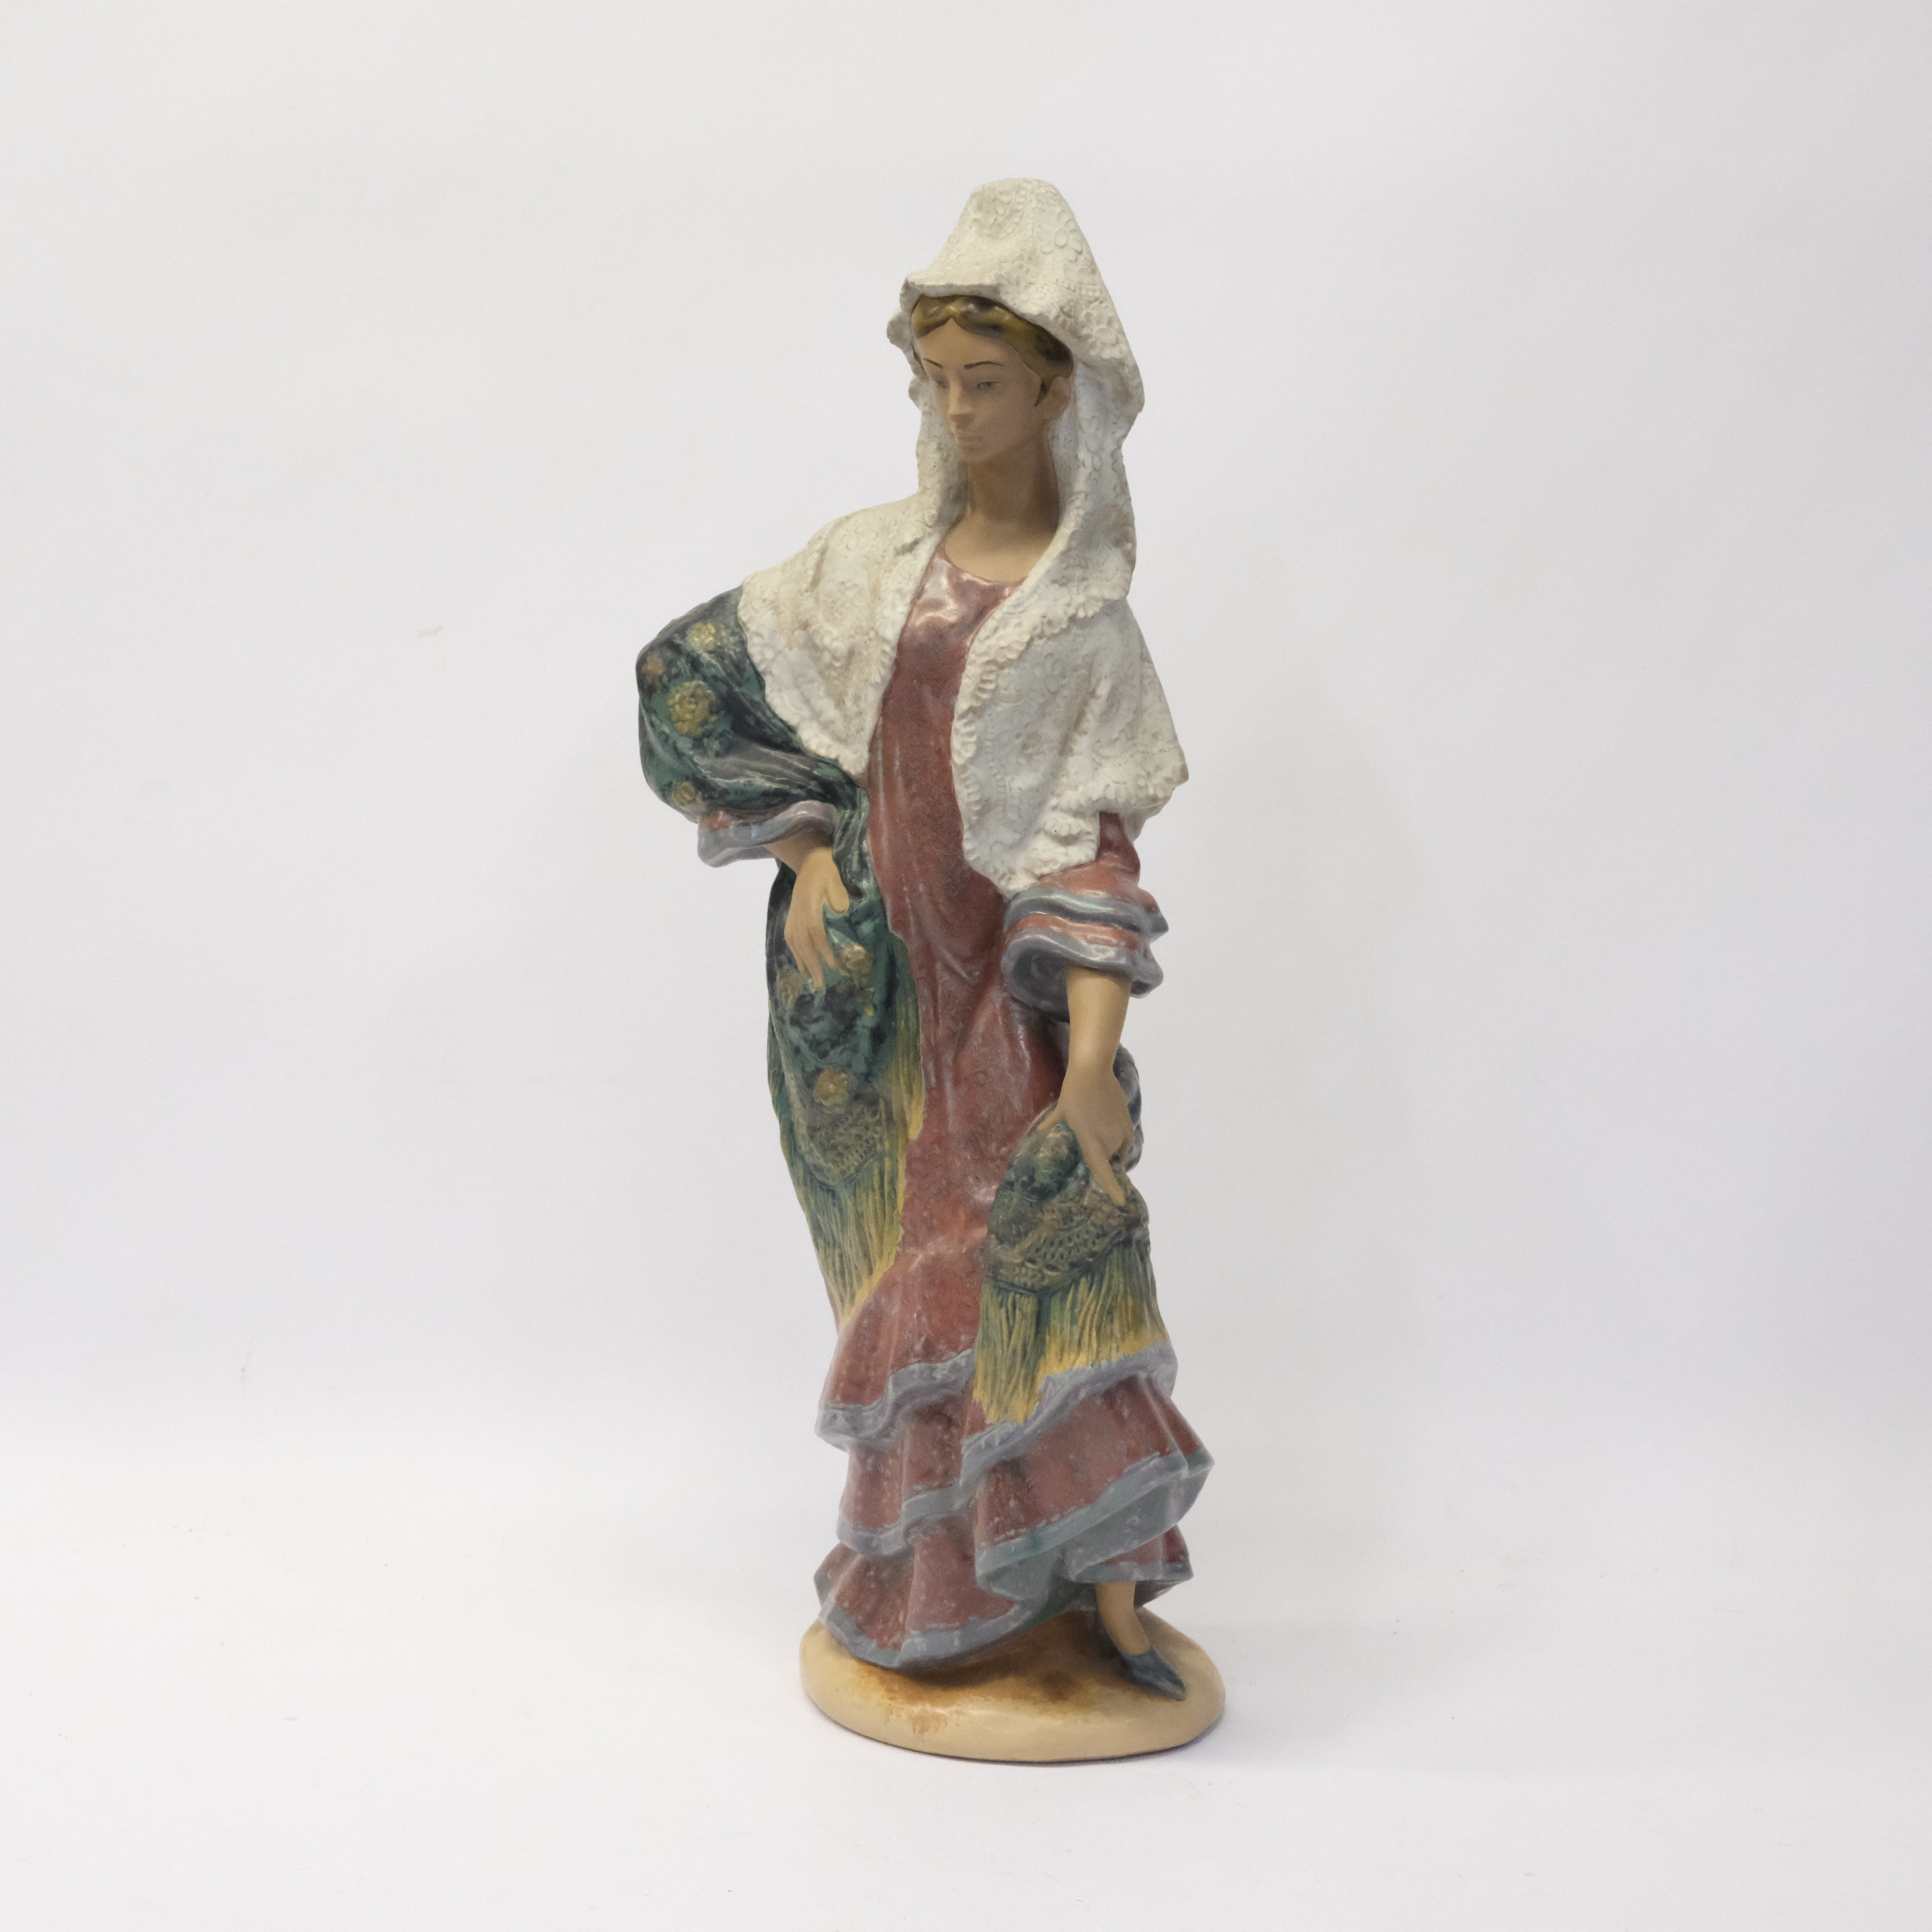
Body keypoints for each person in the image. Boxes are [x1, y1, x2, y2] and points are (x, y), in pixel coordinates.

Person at [637, 180, 1209, 1698]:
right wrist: (806, 847)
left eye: (986, 382)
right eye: (936, 380)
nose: (956, 410)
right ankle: (931, 1584)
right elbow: (685, 673)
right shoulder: (862, 565)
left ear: (1056, 392)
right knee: (913, 1276)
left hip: (1004, 996)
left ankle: (1101, 1589)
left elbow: (1092, 853)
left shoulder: (1086, 627)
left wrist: (1086, 1064)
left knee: (1049, 1249)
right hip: (875, 992)